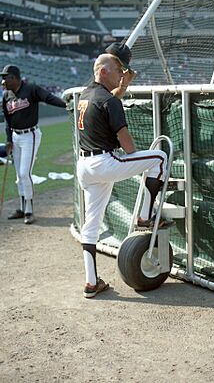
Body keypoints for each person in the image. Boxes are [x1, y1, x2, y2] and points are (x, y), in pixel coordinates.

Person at [76, 45, 172, 299]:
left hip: (84, 167)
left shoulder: (87, 93)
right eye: (119, 70)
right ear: (105, 71)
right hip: (103, 163)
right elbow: (128, 148)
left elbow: (108, 101)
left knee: (91, 225)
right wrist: (136, 158)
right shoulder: (109, 100)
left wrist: (124, 85)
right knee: (159, 158)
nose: (122, 74)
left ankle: (90, 282)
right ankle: (145, 216)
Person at [1, 64, 67, 224]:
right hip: (15, 137)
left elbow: (49, 98)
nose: (3, 81)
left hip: (30, 135)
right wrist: (9, 139)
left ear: (14, 78)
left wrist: (67, 105)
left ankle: (29, 210)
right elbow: (7, 121)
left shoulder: (31, 89)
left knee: (25, 173)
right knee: (19, 176)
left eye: (5, 77)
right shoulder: (6, 95)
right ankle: (22, 208)